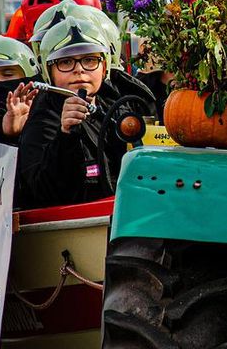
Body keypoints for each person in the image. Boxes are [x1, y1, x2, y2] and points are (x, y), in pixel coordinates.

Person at [16, 16, 154, 209]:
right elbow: (44, 193)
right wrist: (65, 136)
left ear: (104, 66)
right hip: (81, 223)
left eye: (89, 60)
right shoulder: (42, 119)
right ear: (49, 71)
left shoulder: (120, 105)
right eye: (66, 62)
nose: (79, 70)